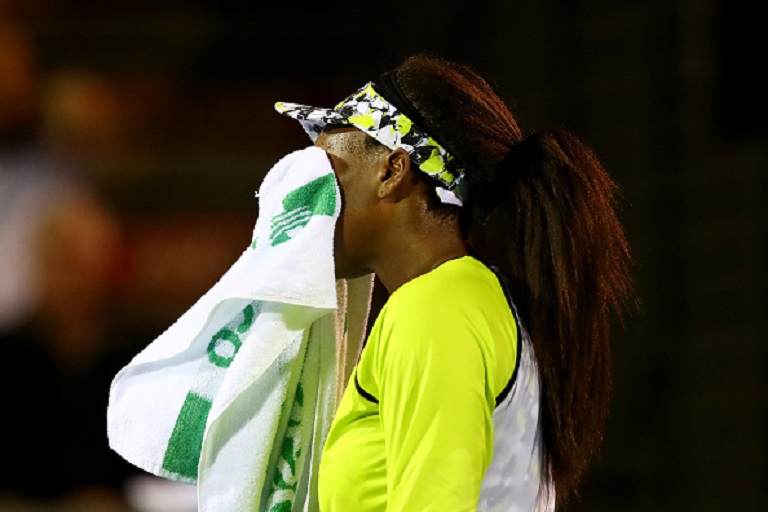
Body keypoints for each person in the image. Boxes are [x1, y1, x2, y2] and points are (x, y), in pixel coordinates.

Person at [274, 53, 632, 511]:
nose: (308, 197)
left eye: (328, 171)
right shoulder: (467, 299)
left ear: (391, 171)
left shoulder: (436, 308)